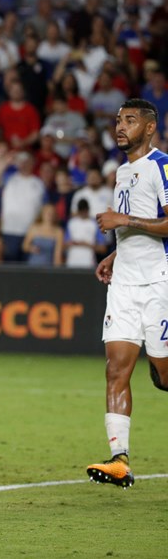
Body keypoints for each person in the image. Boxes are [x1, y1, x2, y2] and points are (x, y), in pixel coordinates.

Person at [89, 99, 168, 488]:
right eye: (119, 120)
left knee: (163, 376)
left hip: (159, 281)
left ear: (150, 127)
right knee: (116, 368)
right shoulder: (122, 171)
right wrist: (115, 254)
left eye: (130, 120)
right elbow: (138, 228)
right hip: (124, 283)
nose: (121, 127)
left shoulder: (161, 165)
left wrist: (124, 220)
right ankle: (120, 459)